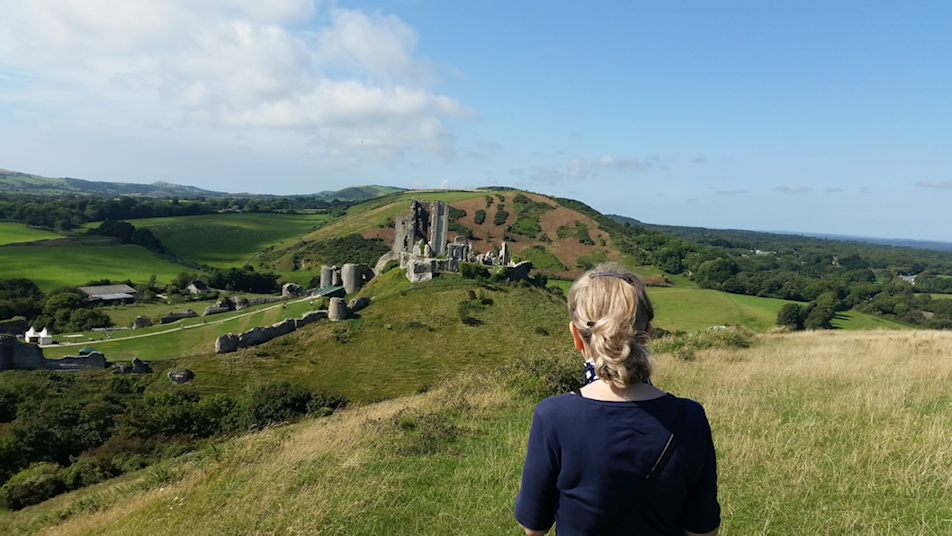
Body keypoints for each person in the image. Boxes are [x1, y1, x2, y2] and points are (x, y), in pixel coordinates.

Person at [515, 263, 720, 536]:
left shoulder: (553, 415)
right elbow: (702, 531)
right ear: (647, 332)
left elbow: (533, 527)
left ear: (576, 336)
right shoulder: (690, 417)